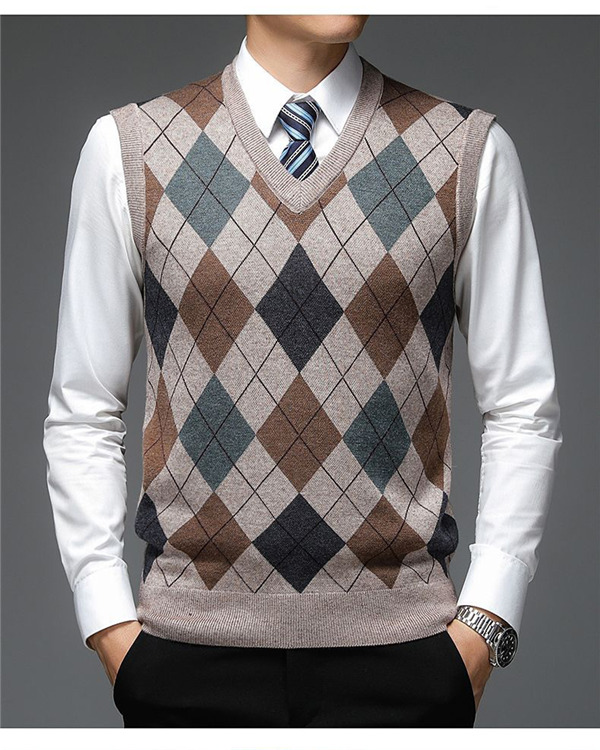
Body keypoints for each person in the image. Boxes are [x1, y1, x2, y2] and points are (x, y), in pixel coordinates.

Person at [43, 14, 562, 728]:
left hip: (407, 656)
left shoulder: (466, 151)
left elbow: (522, 406)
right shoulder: (131, 149)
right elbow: (84, 407)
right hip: (184, 656)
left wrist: (488, 619)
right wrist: (108, 624)